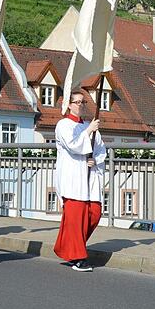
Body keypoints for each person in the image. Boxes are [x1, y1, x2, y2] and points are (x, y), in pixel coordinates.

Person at [52, 92, 105, 272]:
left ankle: (68, 247)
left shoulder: (89, 126)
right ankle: (78, 257)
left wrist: (95, 160)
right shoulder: (63, 125)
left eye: (83, 102)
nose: (81, 105)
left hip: (89, 177)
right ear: (69, 105)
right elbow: (73, 145)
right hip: (73, 177)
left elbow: (100, 149)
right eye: (77, 102)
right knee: (76, 219)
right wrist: (89, 131)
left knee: (95, 214)